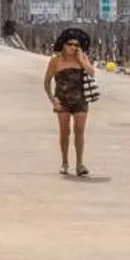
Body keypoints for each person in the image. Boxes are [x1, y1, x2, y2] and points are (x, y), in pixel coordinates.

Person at [43, 29, 94, 177]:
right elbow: (47, 82)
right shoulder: (55, 61)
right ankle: (64, 162)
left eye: (76, 45)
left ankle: (80, 164)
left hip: (80, 100)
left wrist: (82, 60)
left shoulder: (82, 58)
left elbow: (91, 72)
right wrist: (52, 99)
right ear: (63, 45)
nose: (73, 47)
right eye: (70, 44)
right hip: (62, 100)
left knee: (79, 131)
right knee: (65, 131)